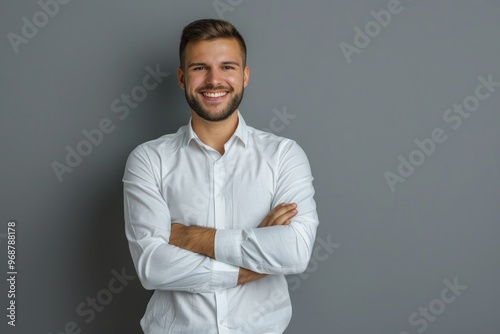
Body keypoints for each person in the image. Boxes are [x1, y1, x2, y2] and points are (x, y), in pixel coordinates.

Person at [123, 18, 319, 334]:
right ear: (182, 77)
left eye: (227, 67)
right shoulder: (149, 160)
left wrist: (191, 236)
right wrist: (252, 263)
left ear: (245, 76)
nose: (214, 80)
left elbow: (294, 251)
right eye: (200, 68)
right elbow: (152, 267)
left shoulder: (284, 155)